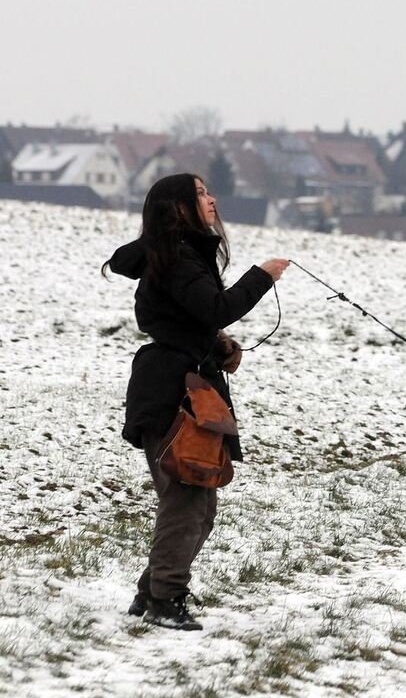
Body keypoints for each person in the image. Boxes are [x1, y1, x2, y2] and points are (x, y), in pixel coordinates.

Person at [103, 173, 288, 631]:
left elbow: (189, 319)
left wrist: (218, 344)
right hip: (171, 391)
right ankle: (165, 600)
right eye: (201, 193)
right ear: (178, 206)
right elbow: (215, 307)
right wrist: (262, 276)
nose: (212, 199)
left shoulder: (176, 256)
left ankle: (153, 590)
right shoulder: (178, 257)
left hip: (182, 384)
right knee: (186, 502)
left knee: (198, 508)